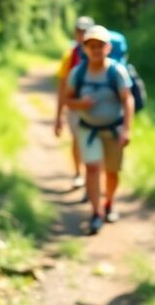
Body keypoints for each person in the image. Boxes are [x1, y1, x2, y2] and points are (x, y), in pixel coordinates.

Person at [64, 25, 134, 235]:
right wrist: (80, 104)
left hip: (113, 129)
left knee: (112, 172)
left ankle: (109, 202)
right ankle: (96, 213)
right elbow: (67, 99)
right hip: (88, 129)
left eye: (99, 45)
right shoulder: (78, 73)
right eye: (91, 45)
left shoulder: (117, 72)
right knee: (92, 168)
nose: (95, 49)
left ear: (108, 48)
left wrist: (126, 130)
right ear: (84, 48)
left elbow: (127, 100)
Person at [55, 15, 94, 189]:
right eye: (79, 31)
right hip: (75, 108)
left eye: (85, 31)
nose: (82, 34)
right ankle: (80, 173)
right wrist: (58, 117)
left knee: (92, 143)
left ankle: (89, 178)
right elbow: (62, 87)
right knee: (78, 141)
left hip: (96, 108)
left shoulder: (100, 52)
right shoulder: (69, 56)